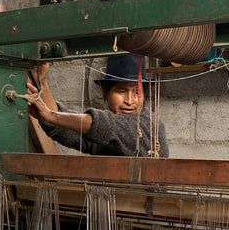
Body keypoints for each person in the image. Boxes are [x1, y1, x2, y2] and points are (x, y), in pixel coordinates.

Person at [26, 54, 169, 159]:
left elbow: (109, 125)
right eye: (122, 91)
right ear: (105, 93)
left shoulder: (150, 125)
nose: (130, 101)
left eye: (137, 92)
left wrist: (49, 115)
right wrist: (42, 81)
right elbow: (65, 128)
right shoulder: (102, 135)